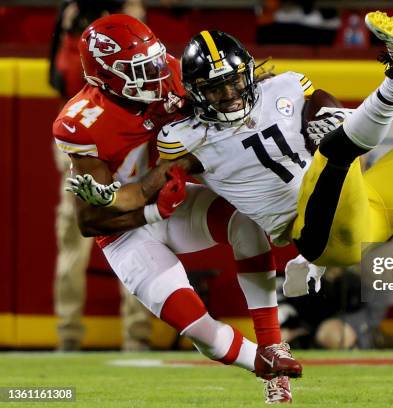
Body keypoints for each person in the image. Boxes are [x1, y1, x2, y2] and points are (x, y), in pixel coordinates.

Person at [72, 11, 393, 316]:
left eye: (235, 79)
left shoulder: (283, 87)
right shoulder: (183, 135)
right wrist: (106, 197)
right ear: (196, 93)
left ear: (250, 72)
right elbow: (141, 194)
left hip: (362, 202)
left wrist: (332, 117)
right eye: (216, 87)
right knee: (335, 152)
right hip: (314, 232)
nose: (231, 92)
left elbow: (328, 112)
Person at [55, 14, 299, 404]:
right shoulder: (84, 124)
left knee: (245, 224)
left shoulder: (171, 73)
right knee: (196, 326)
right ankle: (263, 365)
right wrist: (153, 210)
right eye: (139, 69)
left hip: (171, 199)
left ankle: (274, 345)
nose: (156, 72)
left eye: (154, 59)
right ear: (106, 77)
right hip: (125, 231)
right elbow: (91, 220)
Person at [49, 0, 152, 352]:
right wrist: (69, 33)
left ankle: (137, 336)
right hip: (84, 141)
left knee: (136, 233)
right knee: (74, 241)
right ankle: (68, 335)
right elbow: (63, 78)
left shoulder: (132, 22)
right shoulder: (78, 19)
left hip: (129, 141)